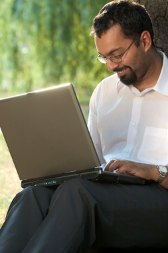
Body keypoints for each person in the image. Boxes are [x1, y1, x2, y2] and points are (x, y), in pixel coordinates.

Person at [0, 0, 168, 252]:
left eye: (118, 54)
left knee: (78, 194)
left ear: (145, 41)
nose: (111, 66)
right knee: (33, 195)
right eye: (105, 58)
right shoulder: (105, 92)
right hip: (107, 193)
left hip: (159, 201)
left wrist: (154, 172)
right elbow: (92, 161)